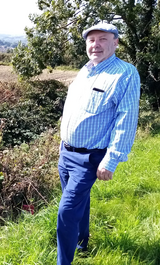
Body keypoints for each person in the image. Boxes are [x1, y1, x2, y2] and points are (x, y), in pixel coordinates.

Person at [57, 23, 140, 265]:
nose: (96, 45)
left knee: (66, 212)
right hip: (66, 152)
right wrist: (62, 142)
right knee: (78, 203)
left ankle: (64, 262)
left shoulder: (125, 73)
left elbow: (126, 118)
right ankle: (82, 242)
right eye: (91, 40)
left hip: (89, 157)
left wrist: (111, 159)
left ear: (115, 43)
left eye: (103, 39)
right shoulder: (85, 70)